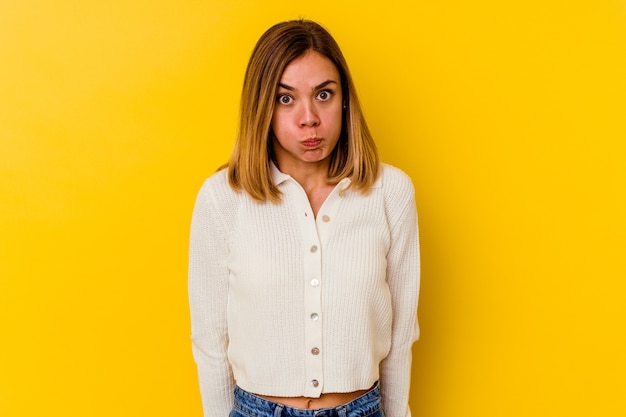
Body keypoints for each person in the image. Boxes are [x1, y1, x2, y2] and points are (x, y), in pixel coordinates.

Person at [188, 19, 420, 417]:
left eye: (323, 95)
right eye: (285, 99)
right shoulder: (222, 199)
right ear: (261, 106)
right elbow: (210, 343)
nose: (308, 118)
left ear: (344, 100)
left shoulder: (390, 192)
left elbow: (400, 340)